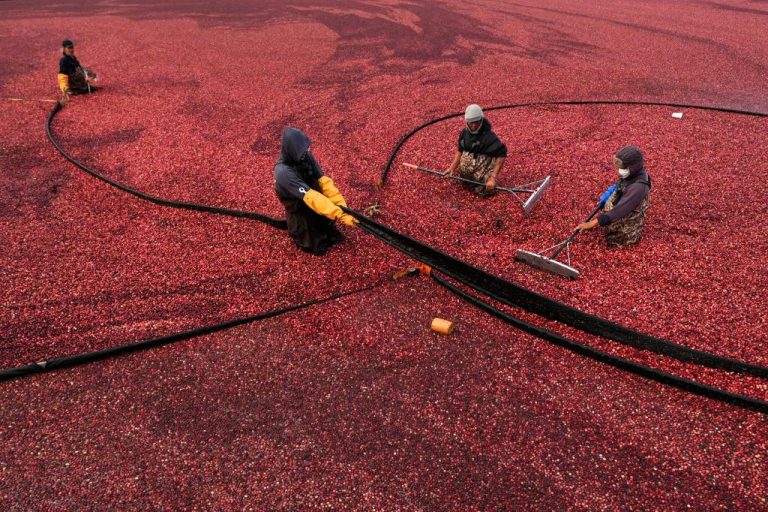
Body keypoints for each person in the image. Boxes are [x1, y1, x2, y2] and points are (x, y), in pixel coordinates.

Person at [274, 127, 358, 255]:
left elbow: (325, 182)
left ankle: (325, 227)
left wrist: (343, 208)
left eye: (306, 148)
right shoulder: (283, 172)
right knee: (314, 242)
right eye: (302, 150)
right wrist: (338, 214)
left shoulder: (305, 156)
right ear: (292, 150)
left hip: (314, 199)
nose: (307, 151)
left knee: (326, 224)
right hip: (299, 207)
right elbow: (310, 197)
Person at [577, 145, 652, 247]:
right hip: (624, 205)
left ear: (632, 167)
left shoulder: (638, 187)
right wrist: (609, 194)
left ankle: (622, 237)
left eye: (621, 168)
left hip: (627, 225)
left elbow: (619, 211)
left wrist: (592, 223)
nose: (618, 171)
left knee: (617, 237)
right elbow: (621, 183)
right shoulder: (633, 174)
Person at [444, 104, 507, 196]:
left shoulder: (488, 137)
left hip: (483, 173)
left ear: (481, 120)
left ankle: (485, 181)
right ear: (466, 121)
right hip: (468, 174)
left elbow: (501, 154)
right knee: (465, 183)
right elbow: (460, 150)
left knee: (485, 191)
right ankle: (469, 179)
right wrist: (452, 168)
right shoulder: (464, 133)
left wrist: (493, 177)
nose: (474, 125)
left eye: (476, 122)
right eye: (471, 122)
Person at [57, 39, 97, 104]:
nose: (71, 50)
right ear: (64, 49)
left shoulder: (73, 58)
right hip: (75, 88)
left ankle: (85, 86)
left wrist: (87, 75)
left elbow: (80, 69)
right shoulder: (64, 61)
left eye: (72, 47)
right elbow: (62, 75)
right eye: (69, 48)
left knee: (89, 72)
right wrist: (64, 89)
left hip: (81, 85)